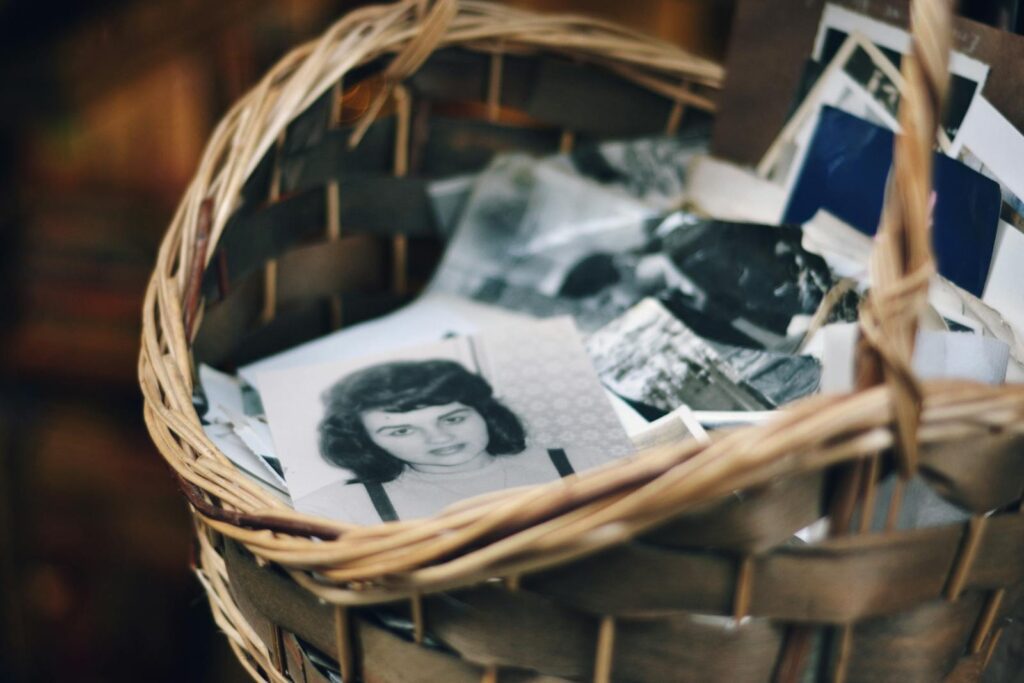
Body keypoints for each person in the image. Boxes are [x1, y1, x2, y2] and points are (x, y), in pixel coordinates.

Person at [299, 359, 584, 524]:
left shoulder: (578, 462)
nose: (440, 437)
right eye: (402, 431)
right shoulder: (341, 506)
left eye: (453, 418)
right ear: (365, 440)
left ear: (484, 413)